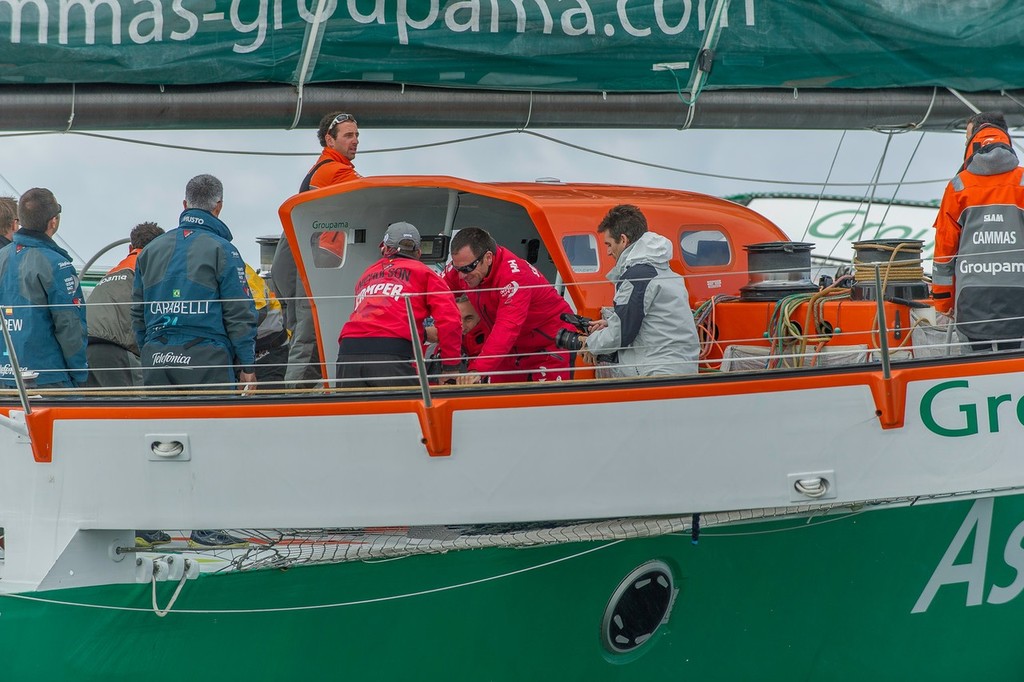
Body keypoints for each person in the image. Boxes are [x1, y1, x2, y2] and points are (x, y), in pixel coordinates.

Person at [131, 174, 257, 391]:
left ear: (185, 204)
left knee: (160, 425)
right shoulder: (223, 250)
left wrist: (149, 352)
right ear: (218, 207)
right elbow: (239, 312)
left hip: (156, 356)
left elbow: (137, 313)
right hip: (208, 359)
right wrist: (247, 366)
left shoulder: (150, 250)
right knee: (212, 425)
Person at [272, 111, 363, 388]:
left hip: (305, 272)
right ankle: (294, 401)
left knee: (305, 336)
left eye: (357, 135)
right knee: (310, 338)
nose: (356, 141)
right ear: (329, 139)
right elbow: (376, 196)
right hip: (319, 271)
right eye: (348, 135)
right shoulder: (335, 172)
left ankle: (298, 396)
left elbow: (281, 264)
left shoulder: (317, 171)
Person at [933, 112, 1024, 351]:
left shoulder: (958, 187)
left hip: (971, 307)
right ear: (1005, 138)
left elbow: (944, 254)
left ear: (974, 139)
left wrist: (942, 305)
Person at [337, 222, 462, 388]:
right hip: (392, 354)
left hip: (348, 352)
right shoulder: (425, 274)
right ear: (418, 252)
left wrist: (422, 334)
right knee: (404, 412)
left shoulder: (366, 275)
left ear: (384, 248)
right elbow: (450, 320)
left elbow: (378, 318)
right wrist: (451, 367)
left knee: (353, 413)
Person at [580, 204, 699, 377]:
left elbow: (621, 333)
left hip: (658, 372)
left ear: (623, 239)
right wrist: (612, 321)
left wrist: (590, 345)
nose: (607, 252)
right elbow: (651, 317)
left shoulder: (637, 275)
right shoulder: (661, 270)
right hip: (678, 366)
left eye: (608, 244)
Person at [444, 227, 573, 383]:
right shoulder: (466, 266)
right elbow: (431, 293)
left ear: (488, 258)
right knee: (496, 401)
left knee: (541, 405)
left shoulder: (514, 277)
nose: (462, 276)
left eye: (467, 269)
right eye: (457, 269)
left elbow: (507, 327)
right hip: (512, 350)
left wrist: (477, 369)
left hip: (548, 347)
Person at [0, 188, 87, 388]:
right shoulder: (58, 264)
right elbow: (70, 326)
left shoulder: (2, 257)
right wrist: (80, 376)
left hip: (5, 378)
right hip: (48, 379)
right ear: (53, 221)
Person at [85, 222, 164, 388]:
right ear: (160, 248)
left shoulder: (113, 272)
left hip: (87, 349)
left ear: (130, 248)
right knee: (137, 409)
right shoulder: (151, 268)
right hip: (119, 353)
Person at [245, 262, 290, 386]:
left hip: (267, 346)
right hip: (251, 345)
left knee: (266, 398)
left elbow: (257, 313)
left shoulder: (235, 268)